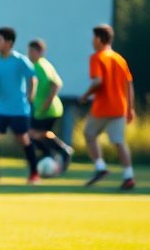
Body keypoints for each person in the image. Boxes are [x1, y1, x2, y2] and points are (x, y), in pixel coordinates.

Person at [0, 27, 39, 183]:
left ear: (9, 43)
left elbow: (33, 77)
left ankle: (34, 173)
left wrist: (31, 95)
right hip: (1, 107)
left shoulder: (20, 60)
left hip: (19, 108)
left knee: (23, 139)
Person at [78, 24, 136, 190]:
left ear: (98, 39)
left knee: (89, 134)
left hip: (103, 108)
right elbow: (129, 85)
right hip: (119, 108)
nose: (92, 41)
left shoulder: (97, 57)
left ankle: (100, 167)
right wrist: (130, 108)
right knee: (119, 142)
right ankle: (128, 175)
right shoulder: (119, 59)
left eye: (93, 38)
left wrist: (85, 95)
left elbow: (98, 82)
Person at [26, 39, 73, 171]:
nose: (29, 54)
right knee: (35, 135)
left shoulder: (40, 66)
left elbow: (56, 84)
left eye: (32, 51)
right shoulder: (41, 64)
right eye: (28, 51)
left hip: (47, 109)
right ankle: (51, 154)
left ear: (39, 52)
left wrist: (47, 103)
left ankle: (61, 151)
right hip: (41, 109)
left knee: (34, 134)